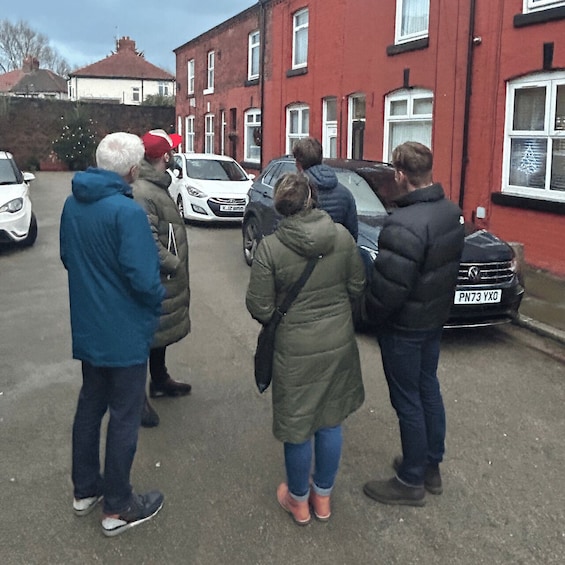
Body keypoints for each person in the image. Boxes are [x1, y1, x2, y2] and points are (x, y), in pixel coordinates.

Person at [60, 132, 166, 537]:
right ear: (133, 170)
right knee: (124, 415)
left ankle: (86, 488)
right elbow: (144, 278)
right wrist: (156, 301)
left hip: (89, 325)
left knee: (90, 405)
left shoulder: (73, 205)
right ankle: (119, 505)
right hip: (123, 331)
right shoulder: (128, 213)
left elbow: (69, 258)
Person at [246, 173, 366, 525]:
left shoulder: (270, 248)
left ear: (280, 207)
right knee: (330, 420)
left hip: (294, 350)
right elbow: (357, 285)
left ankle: (298, 502)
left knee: (298, 425)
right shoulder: (342, 237)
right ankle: (323, 499)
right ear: (313, 199)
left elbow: (260, 307)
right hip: (337, 343)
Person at [362, 141, 465, 506]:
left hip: (404, 328)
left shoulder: (402, 223)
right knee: (427, 389)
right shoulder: (451, 213)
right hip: (433, 320)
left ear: (400, 174)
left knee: (408, 400)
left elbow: (389, 289)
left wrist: (371, 316)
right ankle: (430, 465)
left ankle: (410, 480)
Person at [132, 129, 192, 428]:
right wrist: (173, 263)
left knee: (158, 333)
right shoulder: (143, 191)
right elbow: (147, 240)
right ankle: (137, 399)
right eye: (171, 150)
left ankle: (159, 380)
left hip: (164, 278)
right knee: (145, 336)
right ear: (164, 156)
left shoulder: (155, 184)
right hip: (156, 279)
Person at [292, 137, 358, 241]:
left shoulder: (297, 193)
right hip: (336, 252)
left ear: (298, 164)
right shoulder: (345, 194)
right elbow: (352, 235)